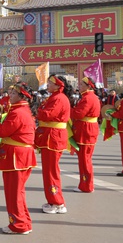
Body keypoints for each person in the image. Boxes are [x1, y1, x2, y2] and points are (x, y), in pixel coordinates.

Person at [0, 83, 36, 234]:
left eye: (13, 93)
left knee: (14, 193)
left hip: (16, 157)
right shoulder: (23, 110)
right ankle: (24, 222)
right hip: (21, 156)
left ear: (21, 96)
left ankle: (18, 225)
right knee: (18, 192)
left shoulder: (18, 112)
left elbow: (2, 131)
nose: (9, 95)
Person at [35, 75, 71, 214]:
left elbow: (48, 115)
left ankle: (57, 202)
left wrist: (36, 111)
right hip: (51, 136)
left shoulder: (58, 98)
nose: (47, 85)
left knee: (51, 171)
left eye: (50, 83)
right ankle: (54, 200)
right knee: (50, 170)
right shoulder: (55, 97)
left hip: (53, 137)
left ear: (58, 86)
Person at [71, 77, 101, 192]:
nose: (80, 87)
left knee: (85, 159)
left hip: (86, 130)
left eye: (82, 85)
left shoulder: (88, 98)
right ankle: (85, 184)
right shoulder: (90, 97)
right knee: (85, 158)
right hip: (88, 129)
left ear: (89, 86)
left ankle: (87, 185)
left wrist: (68, 110)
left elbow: (79, 114)